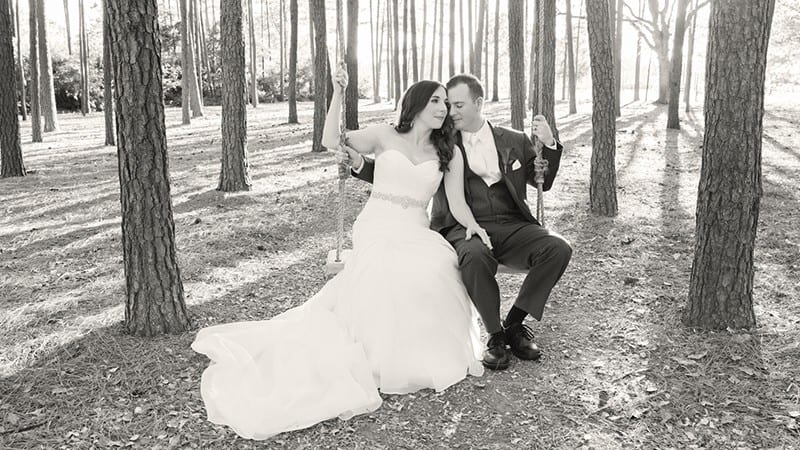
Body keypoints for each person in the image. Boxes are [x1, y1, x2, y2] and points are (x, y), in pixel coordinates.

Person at [191, 68, 489, 440]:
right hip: (377, 223)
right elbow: (332, 137)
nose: (443, 108)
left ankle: (413, 358)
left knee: (434, 271)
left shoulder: (448, 153)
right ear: (415, 103)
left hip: (415, 227)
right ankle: (378, 356)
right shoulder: (384, 135)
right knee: (386, 270)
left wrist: (473, 224)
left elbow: (458, 204)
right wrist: (337, 92)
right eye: (435, 100)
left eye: (446, 103)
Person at [349, 74, 571, 371]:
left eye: (458, 105)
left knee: (558, 248)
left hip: (513, 224)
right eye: (447, 105)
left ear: (479, 103)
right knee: (475, 255)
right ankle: (495, 335)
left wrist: (549, 144)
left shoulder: (514, 139)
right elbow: (399, 168)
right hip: (461, 225)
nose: (450, 112)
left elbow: (540, 180)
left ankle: (514, 323)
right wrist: (358, 165)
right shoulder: (441, 140)